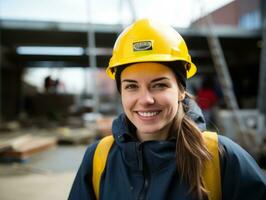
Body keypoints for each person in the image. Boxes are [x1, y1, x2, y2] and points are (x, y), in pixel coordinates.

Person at [68, 19, 265, 200]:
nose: (145, 99)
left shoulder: (221, 157)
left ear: (181, 90)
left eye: (159, 85)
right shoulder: (98, 158)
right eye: (131, 86)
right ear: (121, 92)